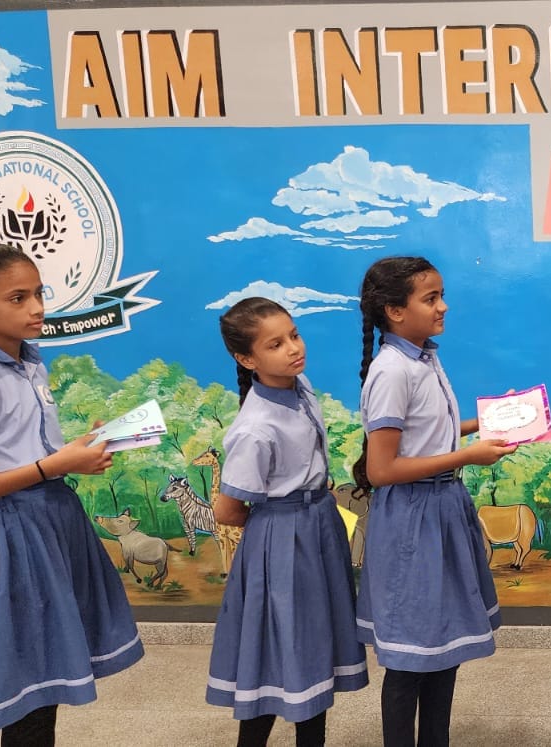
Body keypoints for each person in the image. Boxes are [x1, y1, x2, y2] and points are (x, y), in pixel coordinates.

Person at [0, 241, 144, 739]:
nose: (37, 308)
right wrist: (53, 466)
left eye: (39, 294)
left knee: (50, 673)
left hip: (54, 522)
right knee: (28, 679)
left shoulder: (29, 363)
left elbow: (22, 451)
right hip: (15, 535)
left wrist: (76, 454)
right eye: (18, 298)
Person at [354, 256, 516, 746]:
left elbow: (426, 434)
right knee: (410, 658)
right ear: (394, 311)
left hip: (441, 510)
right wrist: (467, 455)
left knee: (443, 650)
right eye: (431, 298)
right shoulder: (392, 371)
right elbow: (382, 470)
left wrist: (491, 420)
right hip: (412, 520)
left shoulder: (423, 358)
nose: (443, 306)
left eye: (441, 295)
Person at [205, 297, 368, 746]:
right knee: (280, 652)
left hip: (319, 526)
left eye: (294, 335)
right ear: (247, 359)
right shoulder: (254, 428)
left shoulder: (300, 386)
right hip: (283, 537)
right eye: (275, 344)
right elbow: (227, 510)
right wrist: (278, 530)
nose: (294, 348)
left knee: (314, 650)